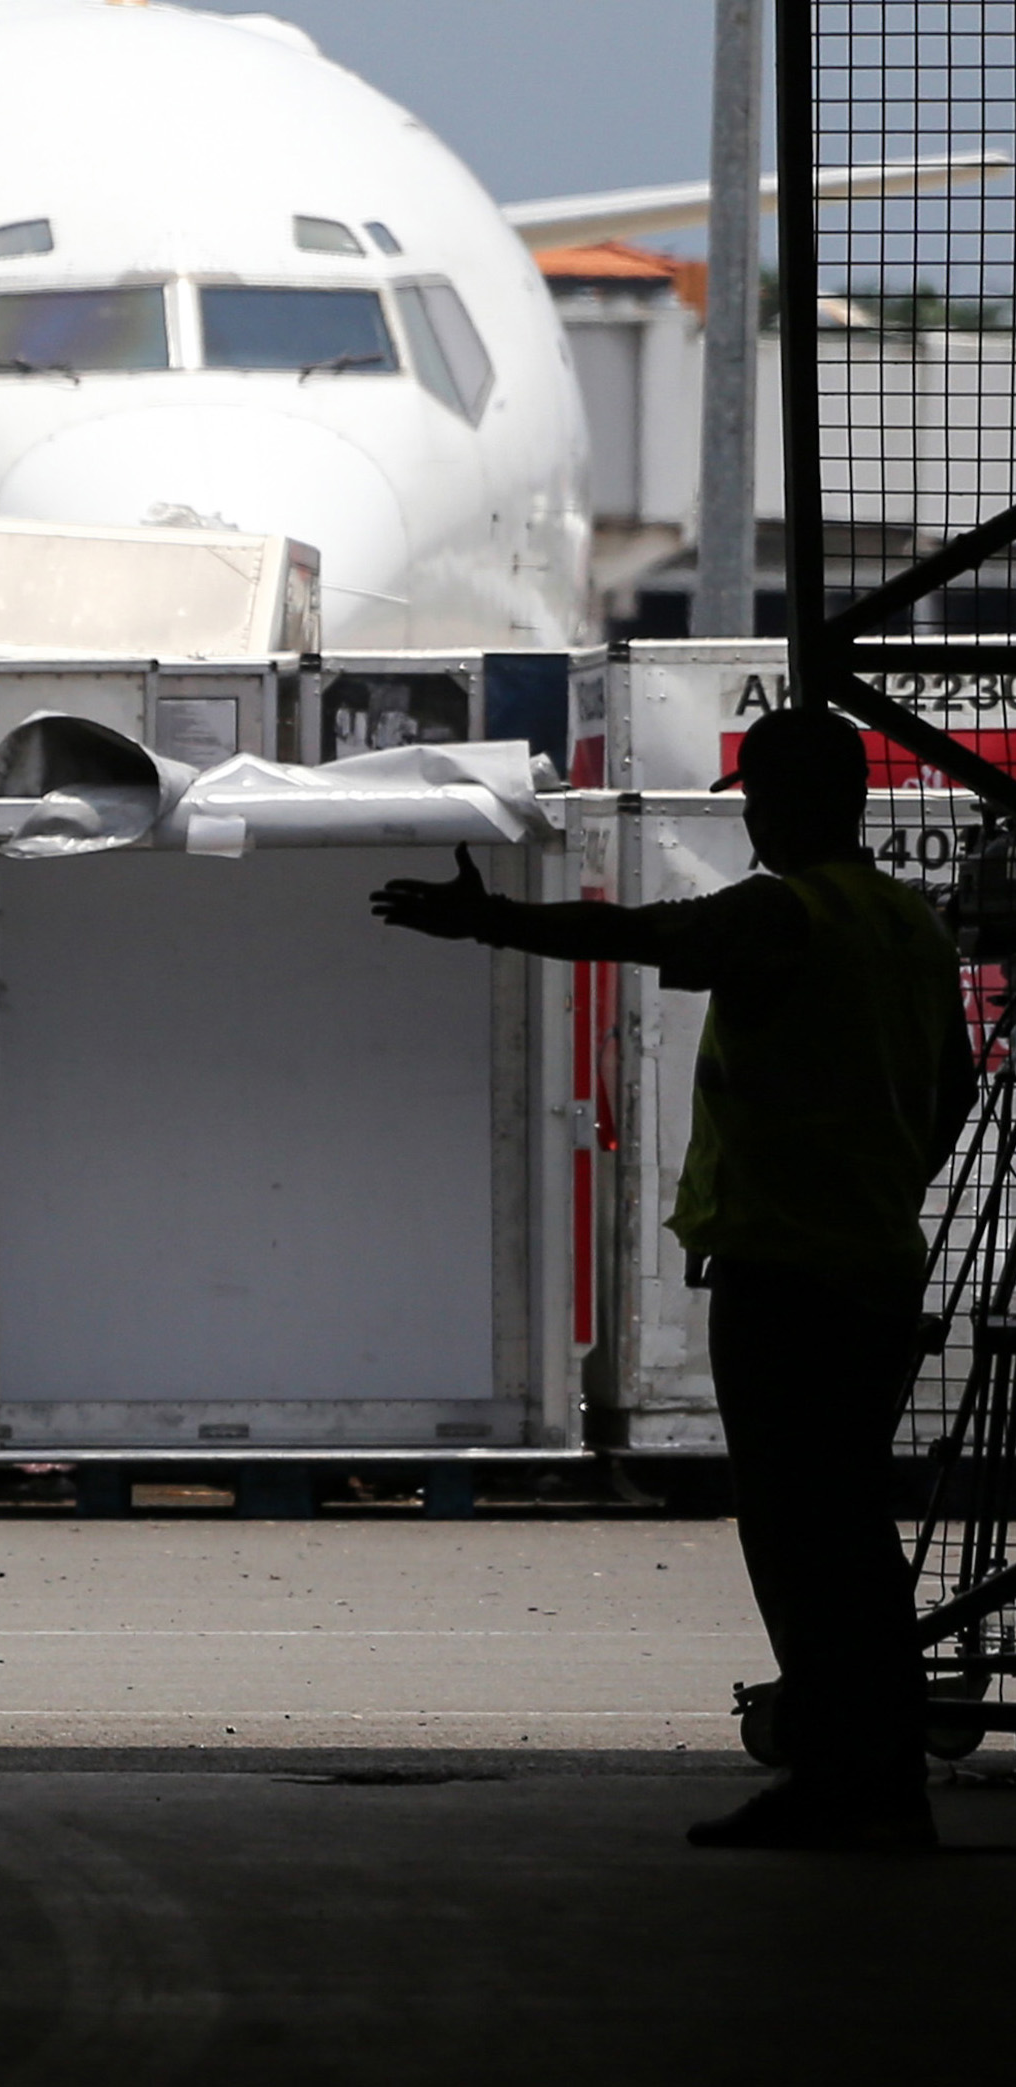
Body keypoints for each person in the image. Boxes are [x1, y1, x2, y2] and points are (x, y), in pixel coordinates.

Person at [373, 704, 973, 1851]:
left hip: (786, 1271)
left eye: (758, 797)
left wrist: (487, 919)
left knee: (798, 1537)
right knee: (852, 1533)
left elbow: (638, 934)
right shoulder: (907, 921)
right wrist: (880, 1179)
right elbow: (951, 1092)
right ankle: (882, 1778)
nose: (750, 818)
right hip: (873, 1264)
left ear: (786, 803)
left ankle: (838, 1783)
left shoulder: (783, 912)